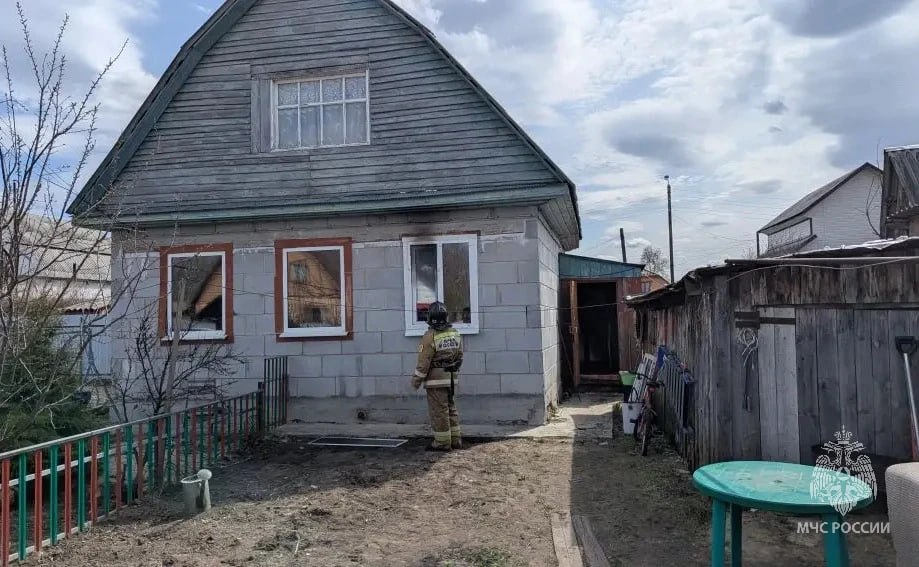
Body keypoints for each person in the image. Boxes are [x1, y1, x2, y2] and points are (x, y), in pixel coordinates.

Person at [412, 301, 464, 450]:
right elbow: (460, 356)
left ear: (430, 318)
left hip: (436, 381)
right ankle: (455, 440)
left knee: (439, 411)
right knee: (451, 409)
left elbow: (423, 363)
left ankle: (442, 443)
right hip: (451, 378)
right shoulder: (455, 333)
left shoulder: (429, 336)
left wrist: (416, 381)